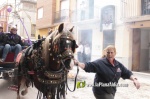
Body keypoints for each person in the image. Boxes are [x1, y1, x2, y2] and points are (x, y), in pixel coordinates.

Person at [74, 45, 140, 99]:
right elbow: (88, 66)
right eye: (108, 52)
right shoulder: (100, 63)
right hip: (100, 91)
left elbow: (127, 73)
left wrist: (135, 79)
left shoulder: (118, 65)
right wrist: (78, 63)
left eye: (112, 52)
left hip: (111, 91)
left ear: (115, 53)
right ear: (106, 53)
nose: (110, 54)